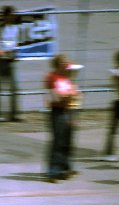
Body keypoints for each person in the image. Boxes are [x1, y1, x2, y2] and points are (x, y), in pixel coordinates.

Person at [44, 54, 81, 183]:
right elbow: (55, 97)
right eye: (64, 63)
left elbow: (73, 94)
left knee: (67, 140)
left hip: (68, 110)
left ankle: (64, 168)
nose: (67, 65)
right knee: (58, 141)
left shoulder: (65, 77)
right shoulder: (51, 77)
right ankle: (52, 172)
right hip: (58, 111)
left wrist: (70, 96)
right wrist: (68, 96)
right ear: (58, 64)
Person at [0, 5, 22, 122]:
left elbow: (15, 43)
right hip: (1, 59)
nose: (12, 17)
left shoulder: (16, 28)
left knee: (14, 87)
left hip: (11, 58)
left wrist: (14, 53)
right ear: (5, 16)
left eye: (13, 15)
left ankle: (14, 114)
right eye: (10, 15)